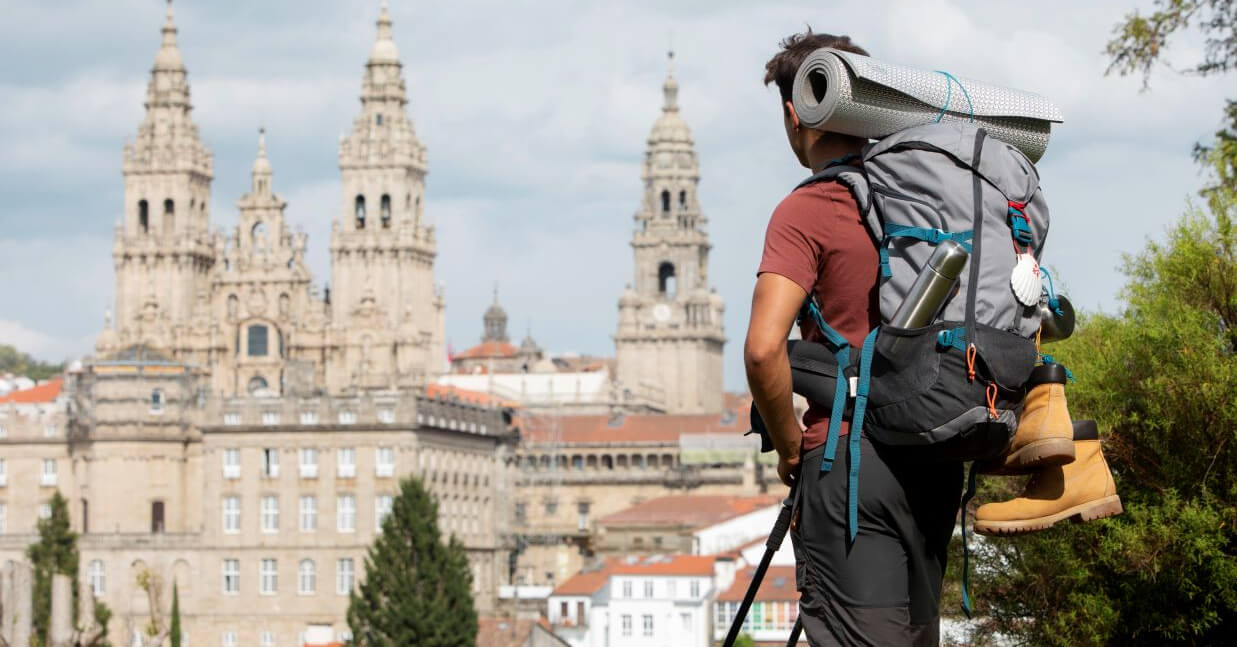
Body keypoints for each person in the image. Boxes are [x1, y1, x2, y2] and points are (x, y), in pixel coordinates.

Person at [744, 30, 962, 646]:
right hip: (932, 456)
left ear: (795, 113)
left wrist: (790, 448)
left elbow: (763, 350)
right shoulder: (923, 199)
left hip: (849, 465)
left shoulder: (809, 209)